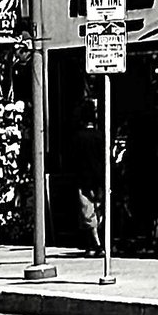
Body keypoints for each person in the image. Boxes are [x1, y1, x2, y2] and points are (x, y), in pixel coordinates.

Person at [72, 99, 104, 257]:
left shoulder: (77, 138)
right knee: (99, 210)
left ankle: (94, 244)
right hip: (99, 179)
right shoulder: (100, 137)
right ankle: (99, 243)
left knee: (87, 212)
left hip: (83, 179)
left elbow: (73, 160)